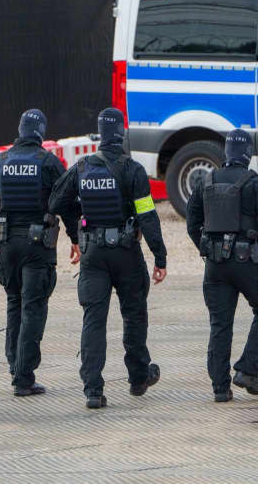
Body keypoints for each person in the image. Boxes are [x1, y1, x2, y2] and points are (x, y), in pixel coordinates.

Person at [49, 108, 167, 409]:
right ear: (121, 135)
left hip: (94, 256)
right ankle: (139, 377)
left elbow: (55, 201)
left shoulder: (83, 167)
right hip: (127, 253)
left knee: (93, 321)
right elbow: (147, 215)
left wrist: (76, 230)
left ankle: (93, 389)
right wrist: (160, 256)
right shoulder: (133, 169)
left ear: (101, 134)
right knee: (135, 316)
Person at [0, 109, 80, 397]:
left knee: (13, 303)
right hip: (37, 247)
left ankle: (14, 364)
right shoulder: (48, 162)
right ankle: (24, 376)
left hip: (7, 246)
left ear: (19, 131)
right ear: (41, 132)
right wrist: (75, 237)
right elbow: (68, 202)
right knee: (33, 307)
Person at [186, 129, 258, 402]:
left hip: (215, 266)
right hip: (247, 263)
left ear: (226, 153)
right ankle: (247, 370)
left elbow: (191, 224)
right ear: (248, 154)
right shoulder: (255, 184)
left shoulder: (205, 181)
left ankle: (220, 388)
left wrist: (207, 248)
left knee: (220, 324)